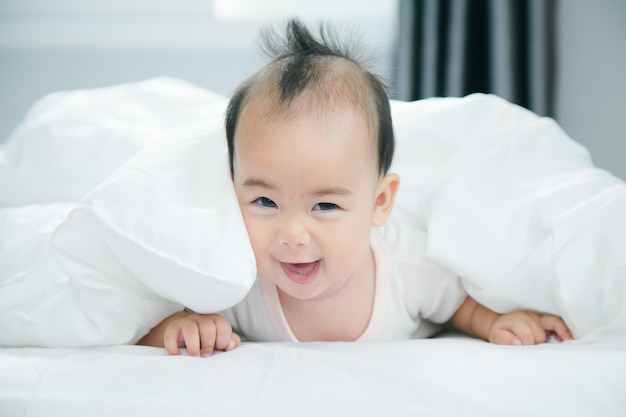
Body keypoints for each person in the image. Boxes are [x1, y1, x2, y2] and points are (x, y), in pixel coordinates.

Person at [138, 19, 573, 357]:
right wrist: (182, 327)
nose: (292, 234)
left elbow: (460, 304)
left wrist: (495, 323)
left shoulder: (408, 267)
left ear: (380, 202)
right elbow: (155, 323)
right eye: (265, 201)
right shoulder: (240, 280)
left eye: (324, 205)